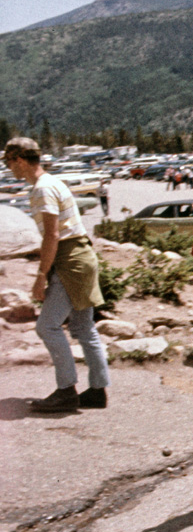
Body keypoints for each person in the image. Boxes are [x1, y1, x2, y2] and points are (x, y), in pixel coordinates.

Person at [5, 137, 111, 412]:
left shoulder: (42, 189)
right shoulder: (52, 183)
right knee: (83, 328)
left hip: (69, 260)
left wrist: (41, 275)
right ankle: (98, 390)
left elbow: (52, 235)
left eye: (9, 162)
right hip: (81, 256)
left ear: (19, 160)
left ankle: (66, 391)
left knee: (47, 326)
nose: (8, 168)